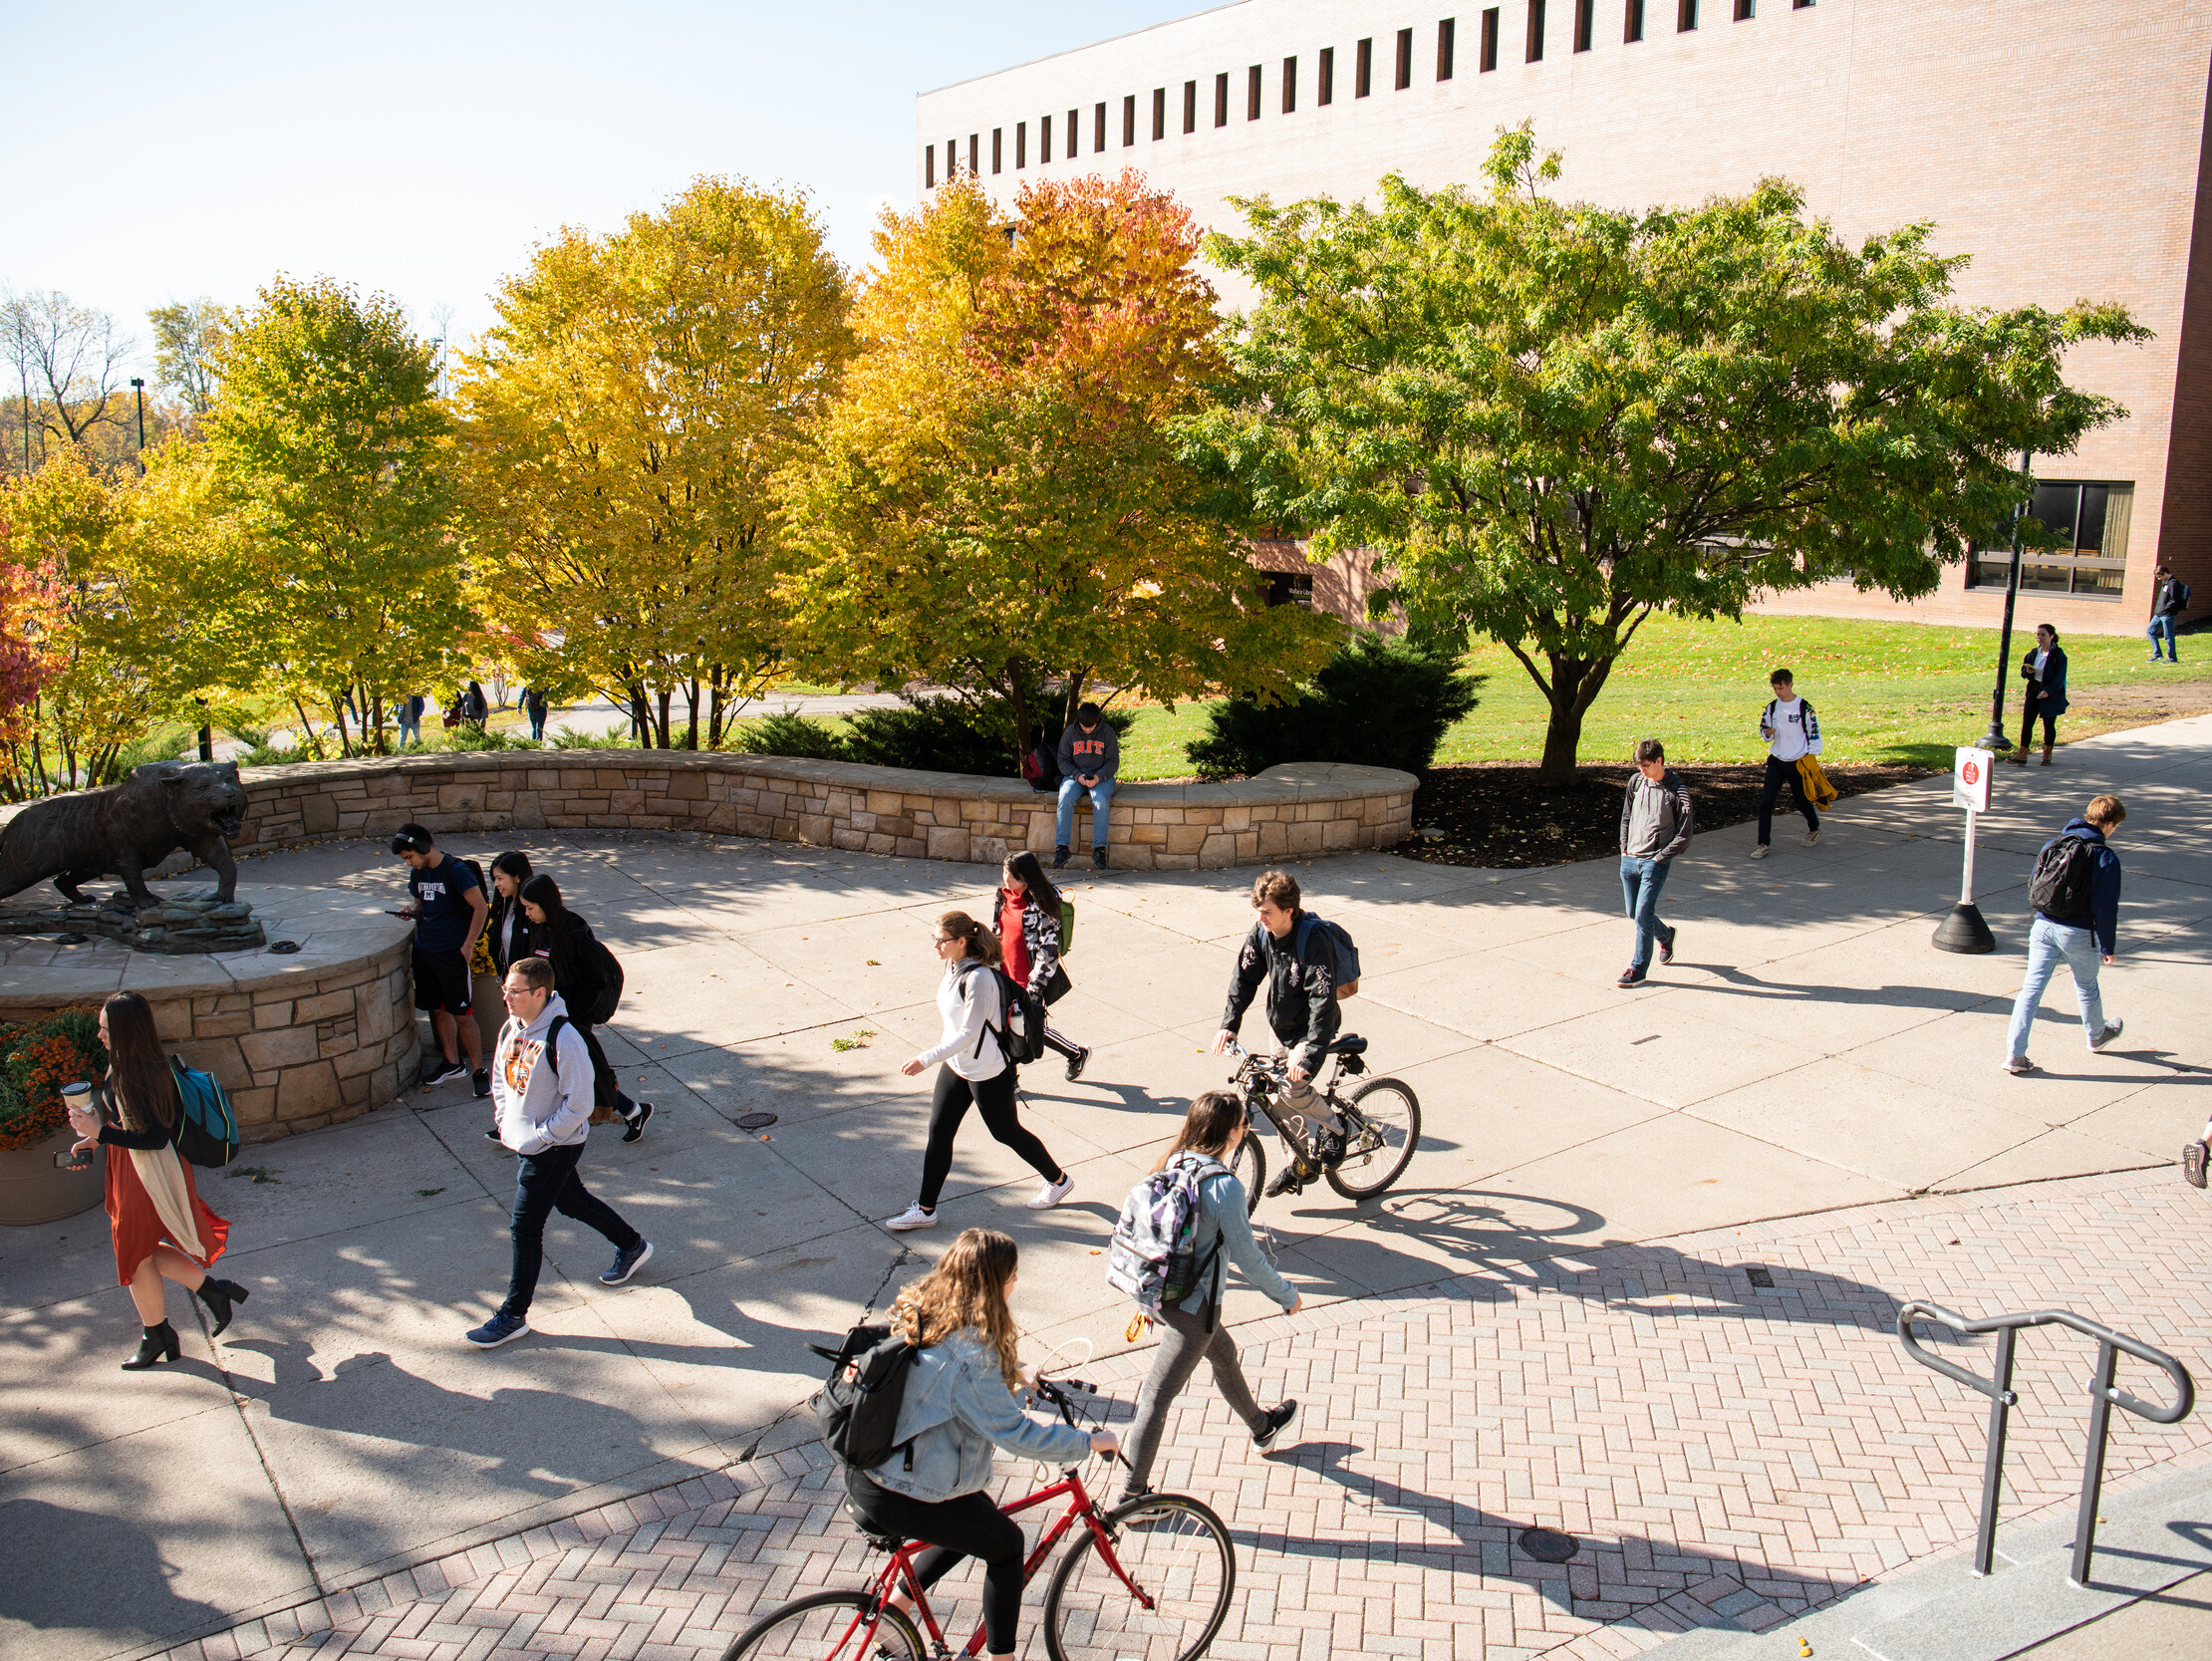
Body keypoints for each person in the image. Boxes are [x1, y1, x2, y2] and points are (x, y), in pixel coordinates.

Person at [848, 1229, 1117, 1661]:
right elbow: (1016, 1434)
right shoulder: (974, 1354)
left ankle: (895, 1609)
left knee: (977, 1517)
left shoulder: (931, 1313)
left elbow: (952, 1385)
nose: (1017, 1282)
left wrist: (1014, 1372)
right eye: (1013, 1274)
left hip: (879, 1471)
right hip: (902, 1491)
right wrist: (1089, 1441)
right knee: (1007, 1544)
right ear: (994, 1282)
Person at [1117, 1092, 1301, 1505]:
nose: (1246, 1130)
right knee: (1153, 1399)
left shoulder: (1174, 1161)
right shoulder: (1224, 1187)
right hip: (1192, 1308)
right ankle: (1132, 1499)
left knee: (1224, 1354)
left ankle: (1261, 1427)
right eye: (1244, 1124)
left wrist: (1146, 1299)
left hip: (1163, 1296)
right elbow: (1249, 1260)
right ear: (1231, 1132)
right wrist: (1286, 1296)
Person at [468, 958, 654, 1347]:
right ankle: (631, 1245)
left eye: (515, 991)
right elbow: (502, 1080)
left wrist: (541, 1138)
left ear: (540, 993)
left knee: (524, 1227)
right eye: (505, 989)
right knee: (571, 1201)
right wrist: (505, 1122)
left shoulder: (565, 1038)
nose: (506, 997)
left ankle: (513, 1315)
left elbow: (579, 1104)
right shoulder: (510, 1027)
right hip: (527, 1141)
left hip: (554, 1147)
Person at [64, 991, 250, 1369]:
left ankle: (161, 1332)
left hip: (146, 1173)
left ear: (125, 1031)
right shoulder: (130, 1064)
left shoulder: (140, 1074)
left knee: (134, 1255)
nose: (99, 1036)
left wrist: (102, 1135)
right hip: (131, 1166)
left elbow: (153, 1137)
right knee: (141, 1252)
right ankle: (207, 1298)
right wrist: (94, 1138)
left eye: (105, 1029)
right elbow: (129, 1124)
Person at [883, 912, 1073, 1232]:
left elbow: (969, 1033)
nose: (935, 945)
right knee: (939, 1133)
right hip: (957, 1066)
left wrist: (925, 1059)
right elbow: (955, 1027)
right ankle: (926, 1209)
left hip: (987, 1070)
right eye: (934, 939)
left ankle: (1059, 1180)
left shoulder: (980, 979)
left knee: (1006, 1132)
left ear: (961, 941)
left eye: (941, 940)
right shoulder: (952, 967)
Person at [1211, 868, 1345, 1199]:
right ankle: (1298, 1163)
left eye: (1267, 911)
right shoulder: (1261, 933)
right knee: (1275, 1100)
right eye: (1258, 910)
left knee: (1293, 1087)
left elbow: (1321, 1002)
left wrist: (1310, 1056)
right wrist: (1230, 1024)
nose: (1261, 917)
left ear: (1289, 910)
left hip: (1312, 1029)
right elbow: (1243, 980)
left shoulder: (1313, 941)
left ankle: (1338, 1127)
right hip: (1279, 1027)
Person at [518, 874, 652, 1143]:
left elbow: (597, 980)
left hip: (570, 1019)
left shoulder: (573, 935)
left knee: (581, 1076)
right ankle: (632, 1111)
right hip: (550, 1014)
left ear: (546, 904)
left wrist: (574, 1015)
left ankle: (626, 1112)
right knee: (571, 1075)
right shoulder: (541, 929)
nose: (527, 913)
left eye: (531, 907)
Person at [2003, 795, 2127, 1076]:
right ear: (2108, 824)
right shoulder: (2104, 856)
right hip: (2078, 932)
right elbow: (2106, 906)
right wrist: (2108, 945)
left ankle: (2014, 1055)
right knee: (2086, 985)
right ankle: (2096, 1035)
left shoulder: (2055, 843)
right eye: (2116, 825)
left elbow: (2037, 880)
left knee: (2030, 991)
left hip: (2043, 926)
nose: (2115, 830)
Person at [392, 824, 489, 1097]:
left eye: (409, 856)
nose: (408, 862)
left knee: (463, 1015)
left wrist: (468, 945)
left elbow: (480, 907)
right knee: (437, 1010)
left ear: (423, 847)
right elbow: (421, 905)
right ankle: (452, 1064)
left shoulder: (456, 871)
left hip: (452, 954)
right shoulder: (418, 873)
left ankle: (480, 1071)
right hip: (426, 951)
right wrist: (410, 912)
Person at [995, 850, 1090, 1082]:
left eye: (1012, 875)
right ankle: (1011, 1080)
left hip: (1028, 979)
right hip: (1003, 974)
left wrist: (1035, 987)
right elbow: (998, 931)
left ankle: (1076, 1054)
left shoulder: (1041, 905)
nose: (1006, 877)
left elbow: (1048, 950)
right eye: (1005, 871)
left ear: (1026, 879)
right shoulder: (1002, 896)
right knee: (1004, 1027)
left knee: (1033, 1029)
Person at [1617, 738, 1694, 987]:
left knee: (1643, 914)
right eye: (1639, 766)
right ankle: (1666, 935)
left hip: (1654, 862)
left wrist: (1660, 857)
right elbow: (1626, 816)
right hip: (1630, 859)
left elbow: (1685, 834)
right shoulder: (1636, 782)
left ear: (1660, 761)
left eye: (1647, 766)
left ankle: (1638, 968)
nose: (1643, 771)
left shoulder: (1677, 792)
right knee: (1634, 913)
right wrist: (1624, 850)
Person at [1754, 668, 1822, 858]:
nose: (1778, 692)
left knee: (1801, 801)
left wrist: (1812, 757)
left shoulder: (1804, 708)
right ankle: (1763, 844)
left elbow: (1814, 733)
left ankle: (1814, 827)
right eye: (1775, 688)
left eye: (1781, 688)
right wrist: (1766, 734)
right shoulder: (1771, 708)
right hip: (1776, 760)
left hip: (1798, 762)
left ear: (1790, 684)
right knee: (1766, 803)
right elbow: (1763, 728)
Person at [1053, 702, 1118, 871]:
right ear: (1078, 721)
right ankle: (1062, 848)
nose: (1088, 730)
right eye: (1084, 726)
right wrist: (1077, 776)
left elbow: (1113, 762)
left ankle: (1099, 850)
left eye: (1092, 727)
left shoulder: (1107, 732)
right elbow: (1063, 761)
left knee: (1100, 801)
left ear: (1098, 721)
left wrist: (1098, 777)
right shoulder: (1070, 733)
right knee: (1065, 797)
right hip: (1075, 776)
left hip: (1101, 777)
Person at [2010, 624, 2069, 766]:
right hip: (2034, 688)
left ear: (2051, 637)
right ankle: (2022, 755)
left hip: (2050, 692)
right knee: (2027, 722)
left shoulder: (2058, 655)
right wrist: (2027, 672)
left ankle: (2047, 754)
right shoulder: (2034, 653)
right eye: (2038, 634)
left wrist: (2048, 691)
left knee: (2048, 724)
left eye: (2043, 635)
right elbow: (2024, 669)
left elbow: (2060, 678)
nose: (2039, 638)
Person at [2147, 566, 2190, 662]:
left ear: (2165, 573)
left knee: (2168, 636)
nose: (2159, 579)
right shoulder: (2165, 582)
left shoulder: (2173, 583)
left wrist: (2165, 609)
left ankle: (2172, 657)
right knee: (2150, 631)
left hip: (2168, 615)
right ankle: (2157, 654)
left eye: (2159, 576)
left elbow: (2174, 600)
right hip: (2159, 614)